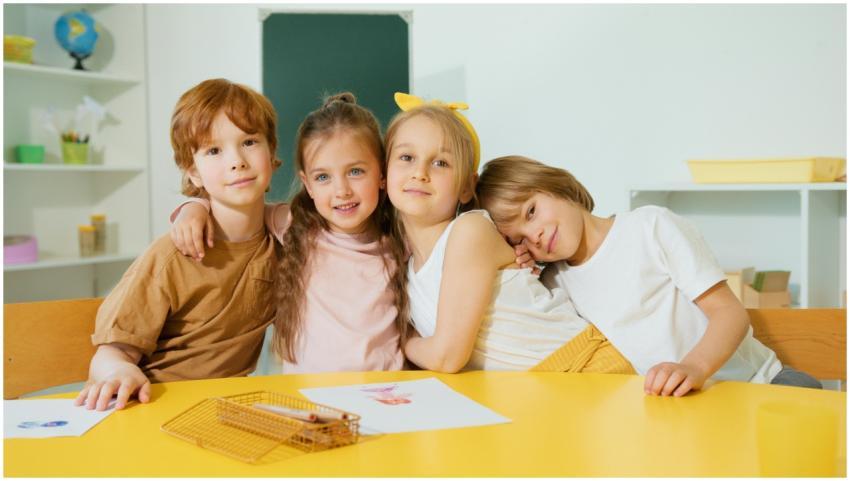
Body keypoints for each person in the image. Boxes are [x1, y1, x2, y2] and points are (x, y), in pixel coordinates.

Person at [476, 155, 822, 395]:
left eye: (532, 212)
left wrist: (694, 368)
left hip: (760, 384)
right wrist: (521, 265)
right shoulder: (556, 280)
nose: (533, 235)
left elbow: (729, 313)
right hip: (685, 406)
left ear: (558, 186)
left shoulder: (650, 227)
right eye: (519, 238)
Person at [385, 93, 634, 374]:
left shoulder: (470, 231)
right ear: (385, 173)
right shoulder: (407, 273)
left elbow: (448, 357)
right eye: (406, 157)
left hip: (584, 367)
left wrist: (400, 341)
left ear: (467, 187)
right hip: (528, 391)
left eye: (440, 163)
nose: (420, 172)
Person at [76, 78, 281, 411]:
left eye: (249, 142)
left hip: (222, 410)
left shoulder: (284, 243)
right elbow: (111, 354)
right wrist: (119, 372)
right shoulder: (172, 254)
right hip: (150, 404)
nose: (236, 161)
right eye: (214, 150)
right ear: (194, 173)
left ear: (272, 153)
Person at [169, 93, 408, 373]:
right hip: (312, 401)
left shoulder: (400, 237)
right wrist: (194, 206)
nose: (341, 190)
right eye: (323, 177)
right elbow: (236, 207)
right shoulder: (297, 226)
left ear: (382, 173)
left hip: (385, 393)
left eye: (355, 172)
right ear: (307, 184)